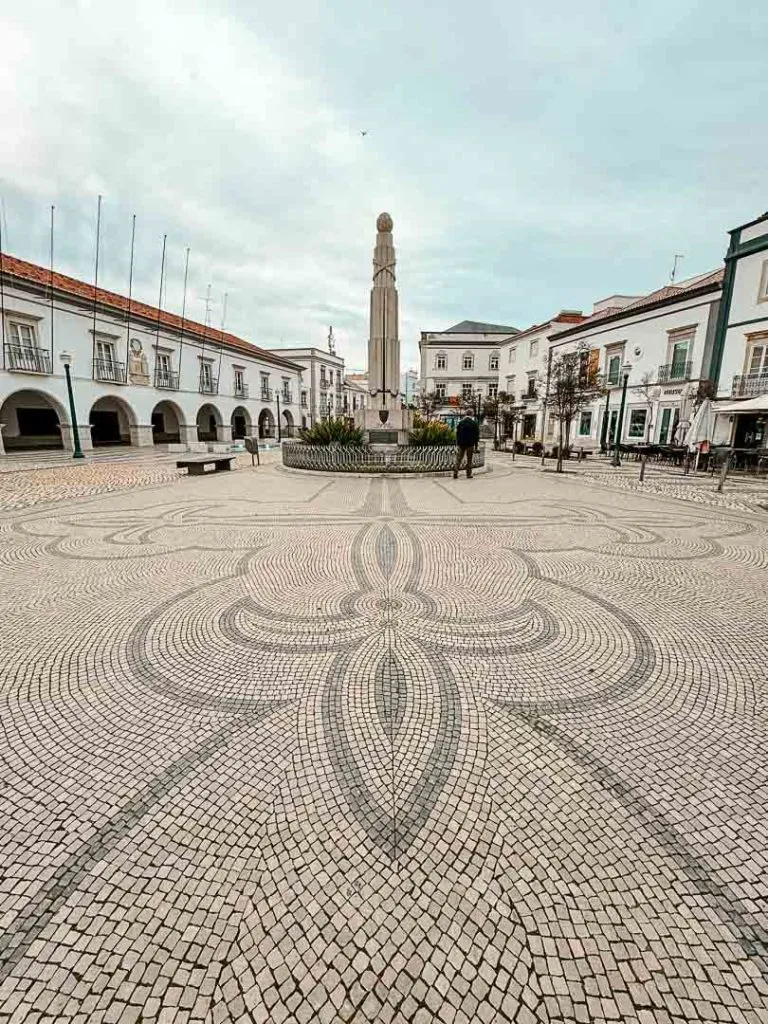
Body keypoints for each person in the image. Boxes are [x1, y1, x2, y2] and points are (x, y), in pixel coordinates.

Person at [454, 412, 480, 478]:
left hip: (461, 443)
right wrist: (476, 446)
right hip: (470, 444)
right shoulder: (474, 423)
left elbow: (457, 434)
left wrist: (457, 443)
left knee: (459, 458)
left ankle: (456, 471)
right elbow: (476, 436)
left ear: (466, 414)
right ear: (472, 415)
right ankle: (468, 474)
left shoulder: (461, 423)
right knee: (469, 459)